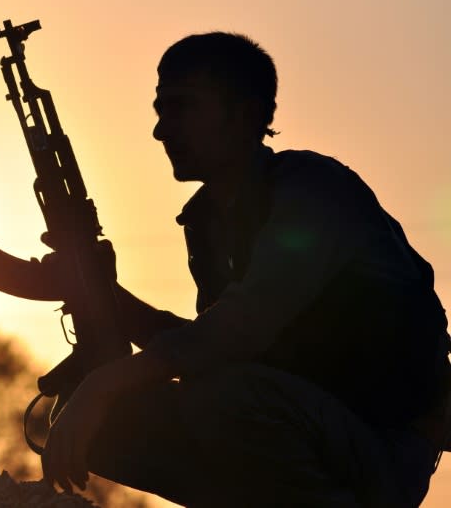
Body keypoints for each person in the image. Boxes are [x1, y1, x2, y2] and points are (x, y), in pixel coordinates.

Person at [40, 32, 451, 507]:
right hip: (305, 420)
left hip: (383, 444)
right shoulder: (210, 220)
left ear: (247, 113)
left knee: (220, 398)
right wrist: (101, 293)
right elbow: (211, 344)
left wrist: (104, 384)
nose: (160, 130)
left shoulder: (315, 191)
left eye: (181, 107)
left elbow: (240, 328)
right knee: (109, 425)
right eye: (159, 109)